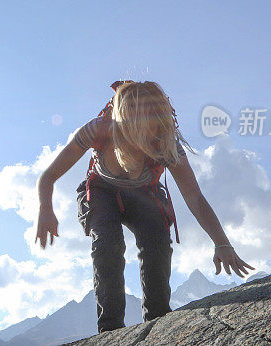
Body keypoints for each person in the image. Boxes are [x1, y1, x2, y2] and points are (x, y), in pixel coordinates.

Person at [34, 81, 252, 333]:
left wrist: (221, 242)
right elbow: (48, 176)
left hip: (145, 194)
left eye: (152, 133)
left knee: (157, 240)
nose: (145, 141)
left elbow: (194, 196)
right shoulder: (98, 130)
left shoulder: (167, 144)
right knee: (107, 243)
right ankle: (111, 330)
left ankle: (158, 320)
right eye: (139, 137)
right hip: (101, 192)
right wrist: (45, 209)